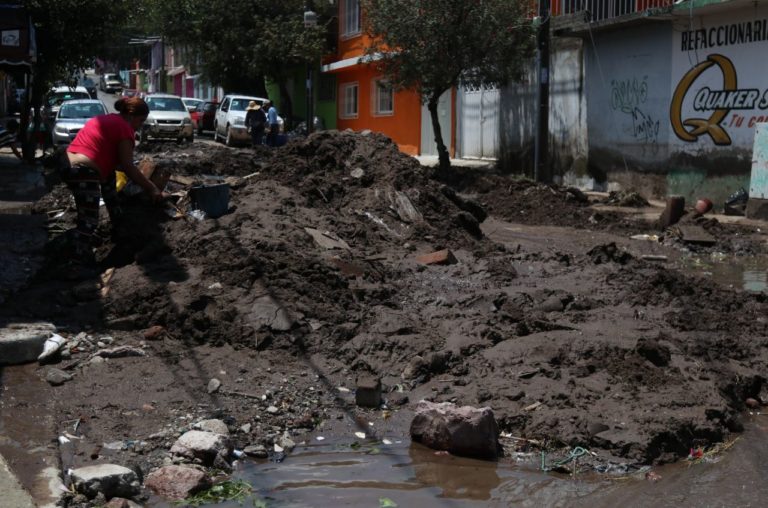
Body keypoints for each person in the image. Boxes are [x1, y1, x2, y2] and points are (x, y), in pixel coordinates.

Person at [59, 96, 165, 263]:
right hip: (85, 171)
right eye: (141, 121)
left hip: (69, 165)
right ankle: (73, 263)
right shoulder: (125, 129)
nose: (140, 126)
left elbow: (113, 175)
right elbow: (128, 167)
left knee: (97, 204)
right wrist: (151, 188)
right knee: (89, 222)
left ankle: (103, 237)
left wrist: (118, 222)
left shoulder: (104, 119)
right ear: (130, 116)